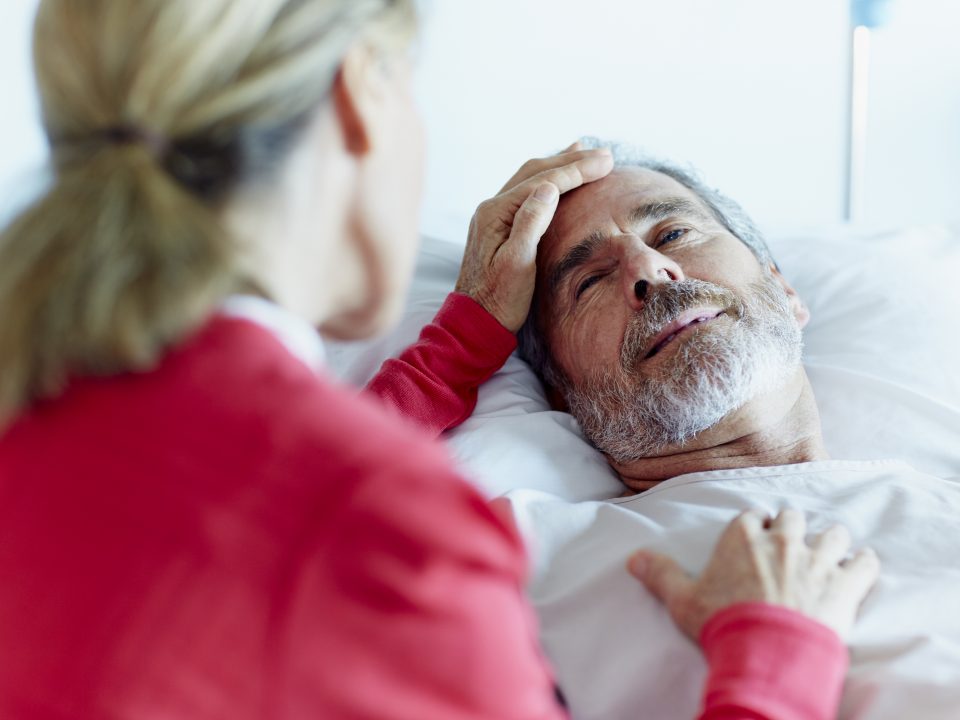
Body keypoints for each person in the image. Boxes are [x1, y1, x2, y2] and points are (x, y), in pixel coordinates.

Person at [0, 2, 875, 718]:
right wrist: (773, 667)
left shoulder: (49, 420)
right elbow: (303, 513)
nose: (650, 271)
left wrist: (458, 343)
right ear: (363, 92)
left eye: (675, 232)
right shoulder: (391, 525)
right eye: (586, 281)